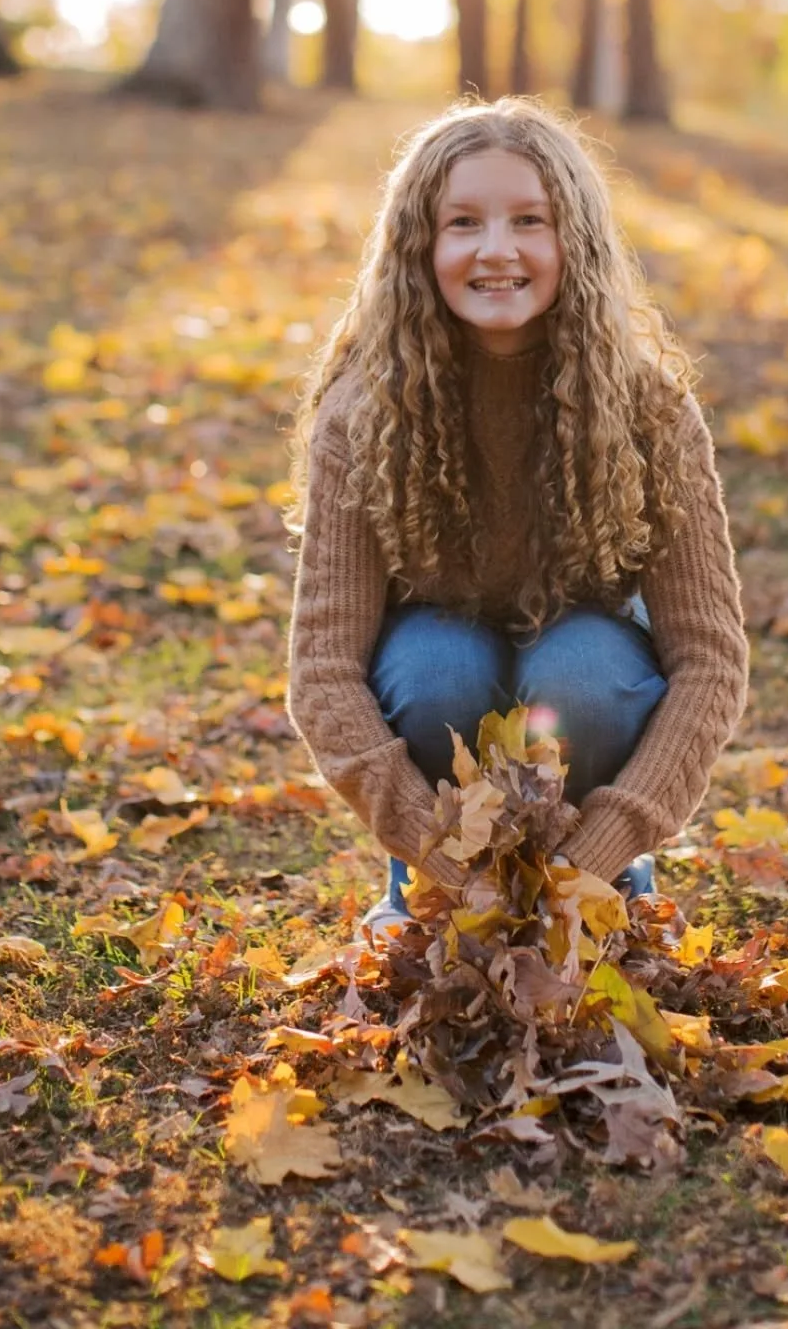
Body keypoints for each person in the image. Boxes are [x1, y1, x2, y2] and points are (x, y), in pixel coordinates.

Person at [286, 97, 749, 934]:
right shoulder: (362, 414)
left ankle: (607, 885)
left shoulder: (650, 410)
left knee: (584, 678)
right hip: (435, 673)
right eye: (463, 222)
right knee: (438, 674)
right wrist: (443, 861)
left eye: (529, 220)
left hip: (587, 662)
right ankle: (416, 893)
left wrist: (595, 854)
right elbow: (323, 670)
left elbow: (711, 661)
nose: (496, 250)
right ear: (419, 249)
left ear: (577, 241)